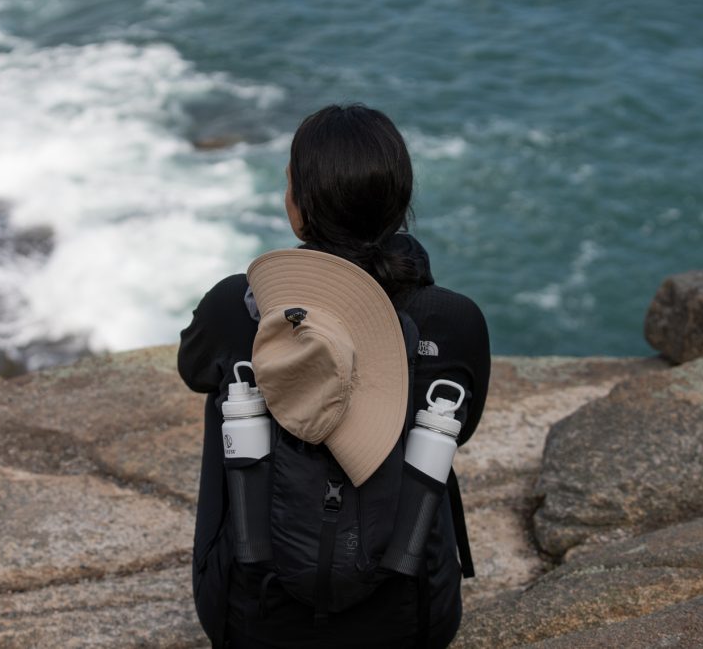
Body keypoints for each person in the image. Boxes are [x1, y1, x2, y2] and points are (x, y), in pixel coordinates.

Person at [178, 104, 490, 648]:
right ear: (398, 204)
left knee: (235, 381)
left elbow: (192, 368)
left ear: (298, 210)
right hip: (410, 618)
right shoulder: (454, 321)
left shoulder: (238, 307)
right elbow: (463, 427)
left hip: (251, 618)